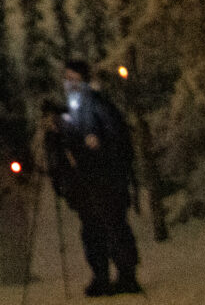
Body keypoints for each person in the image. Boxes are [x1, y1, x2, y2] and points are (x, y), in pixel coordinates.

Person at [45, 59, 140, 297]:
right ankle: (101, 276)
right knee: (92, 229)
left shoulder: (98, 104)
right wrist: (57, 128)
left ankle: (127, 275)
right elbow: (71, 137)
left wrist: (101, 147)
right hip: (85, 183)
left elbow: (118, 138)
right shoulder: (73, 108)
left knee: (113, 226)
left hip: (107, 181)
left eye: (74, 79)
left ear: (84, 80)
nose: (70, 84)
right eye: (67, 79)